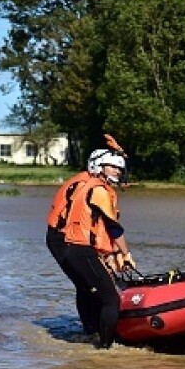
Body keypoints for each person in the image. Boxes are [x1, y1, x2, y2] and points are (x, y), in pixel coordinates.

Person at [60, 149, 135, 348]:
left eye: (120, 168)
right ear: (99, 167)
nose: (118, 171)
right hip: (81, 251)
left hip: (76, 251)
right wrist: (125, 254)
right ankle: (105, 347)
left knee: (91, 293)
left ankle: (91, 334)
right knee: (111, 300)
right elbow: (114, 228)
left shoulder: (88, 187)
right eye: (113, 167)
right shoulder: (99, 191)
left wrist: (112, 254)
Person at [46, 152, 104, 335]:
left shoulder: (83, 182)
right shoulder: (88, 187)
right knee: (87, 284)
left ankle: (91, 328)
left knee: (85, 285)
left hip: (59, 236)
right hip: (64, 239)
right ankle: (94, 331)